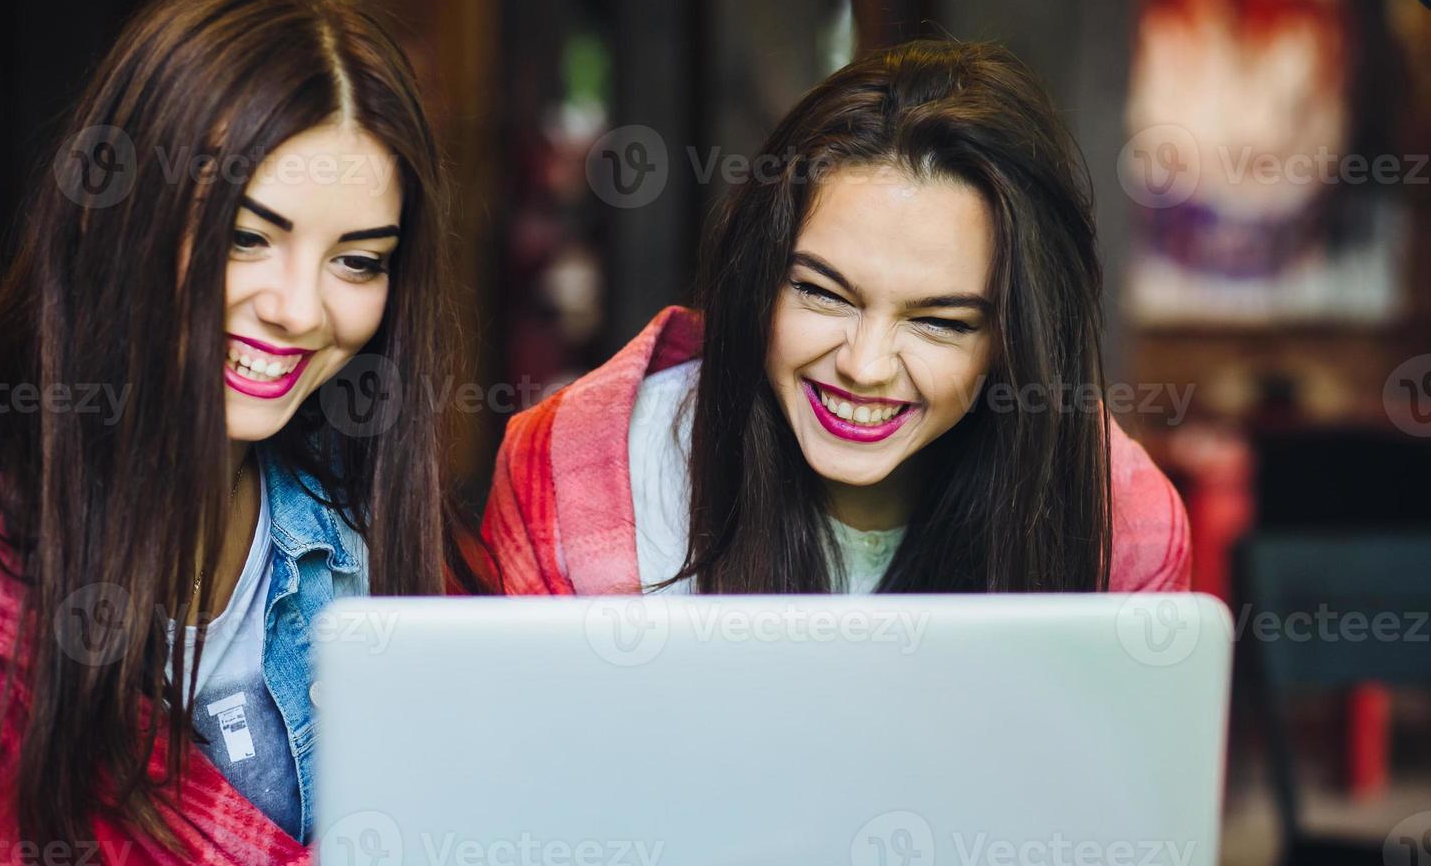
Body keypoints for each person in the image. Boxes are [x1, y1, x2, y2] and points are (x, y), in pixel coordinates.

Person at [0, 0, 489, 866]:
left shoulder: (364, 556)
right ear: (123, 215)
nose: (297, 308)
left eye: (356, 261)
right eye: (247, 236)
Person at [485, 39, 1191, 596]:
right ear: (758, 277)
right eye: (823, 293)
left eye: (941, 322)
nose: (865, 363)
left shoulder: (1120, 528)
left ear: (1013, 343)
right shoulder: (578, 478)